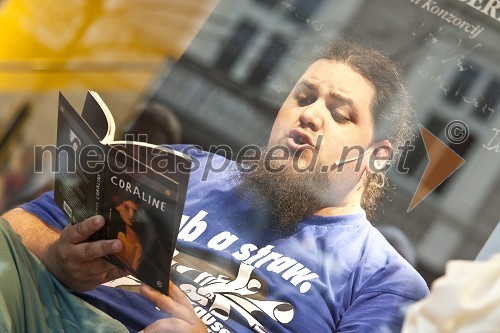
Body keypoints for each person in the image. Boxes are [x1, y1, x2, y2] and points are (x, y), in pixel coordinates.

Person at [1, 39, 428, 332]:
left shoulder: (384, 280)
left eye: (340, 113)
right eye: (303, 97)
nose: (310, 116)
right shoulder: (190, 166)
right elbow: (18, 225)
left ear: (378, 156)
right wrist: (60, 255)